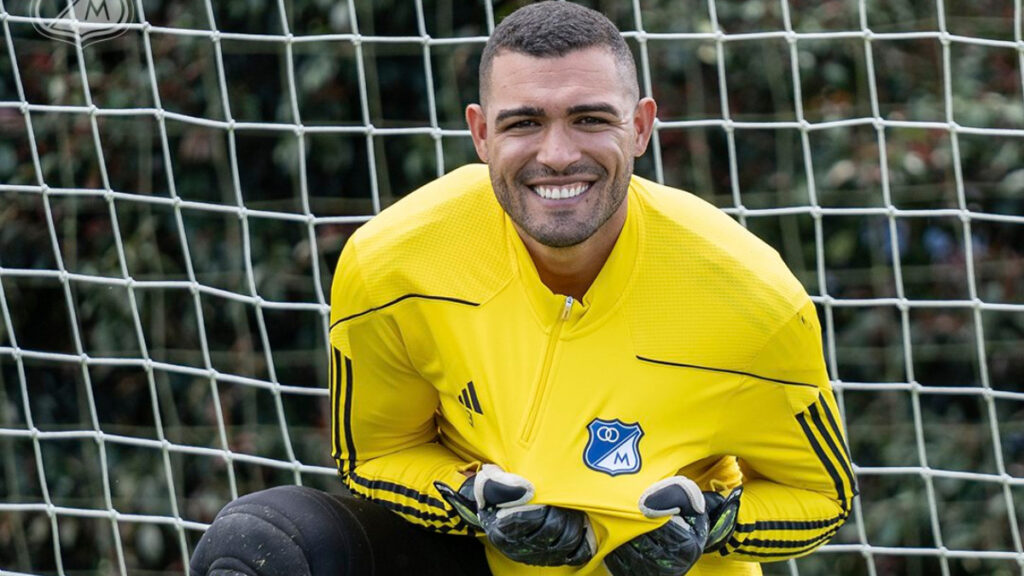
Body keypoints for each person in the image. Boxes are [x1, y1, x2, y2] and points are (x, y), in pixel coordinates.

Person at [190, 2, 856, 575]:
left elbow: (823, 498)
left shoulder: (753, 297)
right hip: (478, 563)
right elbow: (377, 455)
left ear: (642, 126)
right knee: (258, 549)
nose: (558, 153)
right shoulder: (391, 264)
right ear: (481, 132)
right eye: (524, 122)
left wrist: (713, 524)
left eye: (591, 119)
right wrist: (470, 499)